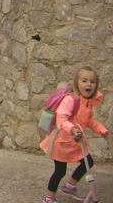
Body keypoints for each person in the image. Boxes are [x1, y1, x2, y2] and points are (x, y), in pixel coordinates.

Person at [39, 66, 108, 203]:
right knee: (60, 171)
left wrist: (101, 129)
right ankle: (49, 198)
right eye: (84, 80)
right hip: (62, 142)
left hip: (77, 142)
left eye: (92, 81)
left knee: (88, 162)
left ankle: (70, 185)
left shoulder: (87, 103)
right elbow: (61, 119)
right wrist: (72, 129)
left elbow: (89, 121)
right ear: (77, 83)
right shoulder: (70, 100)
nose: (89, 84)